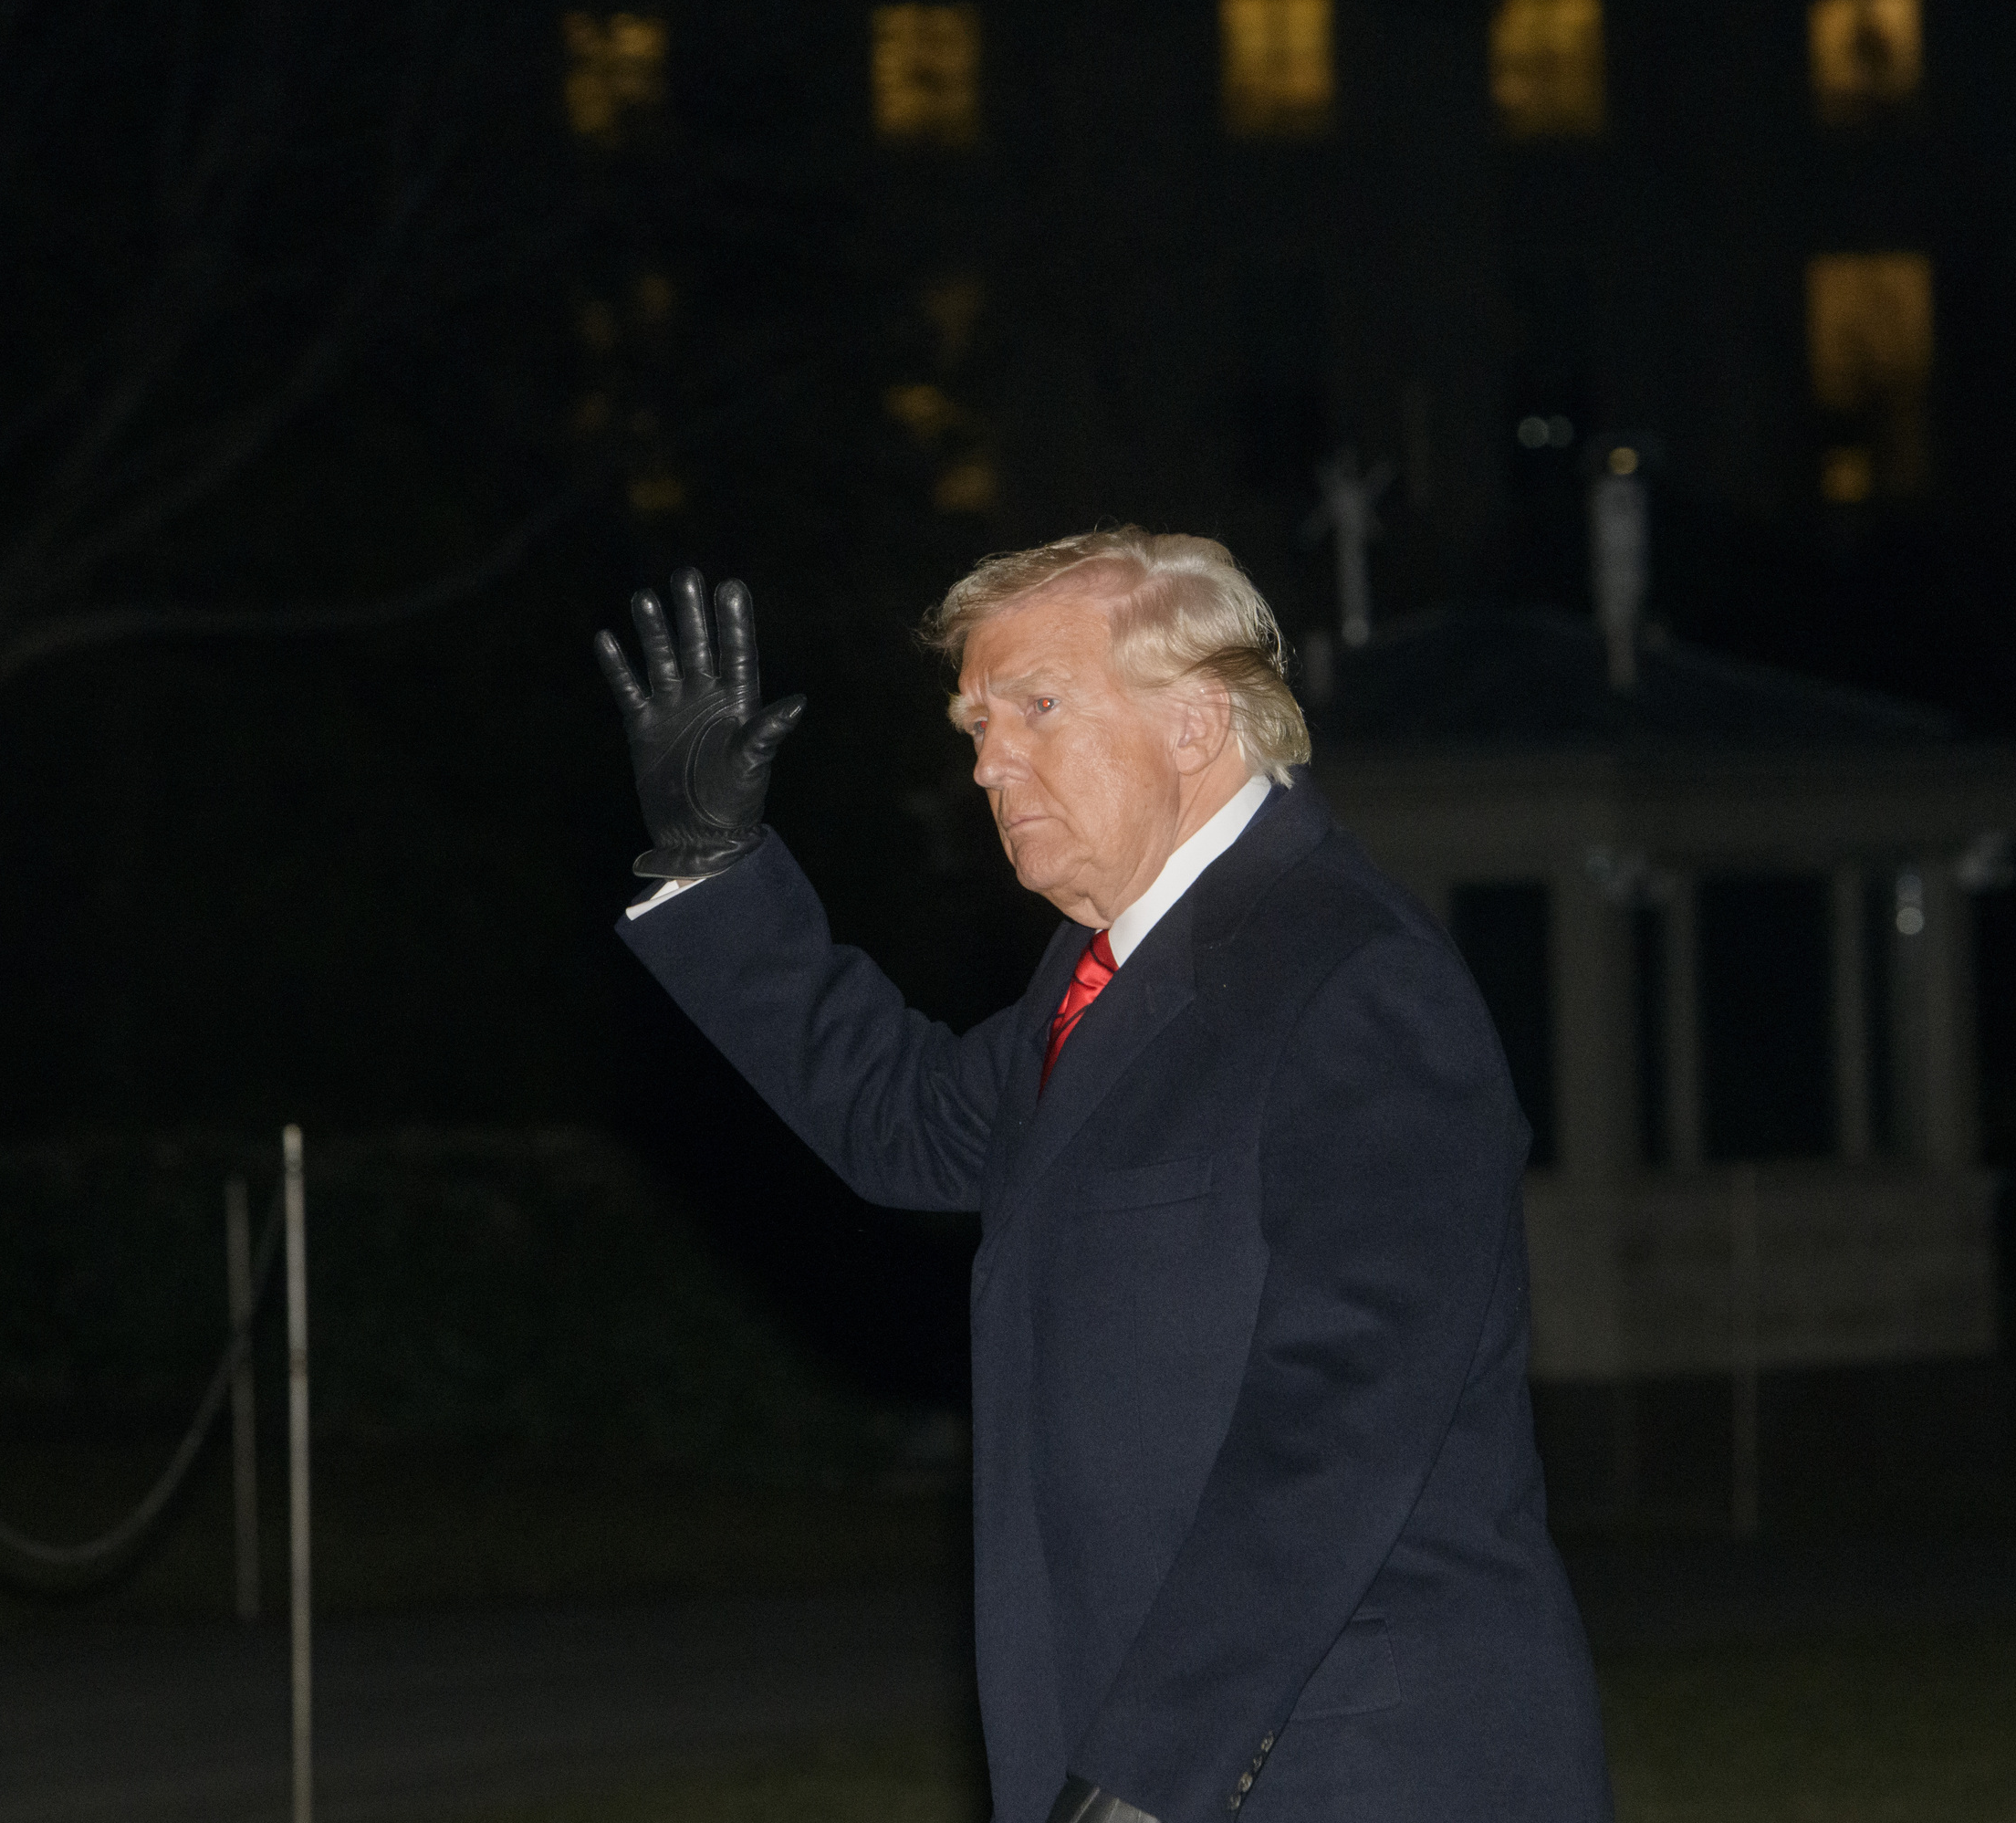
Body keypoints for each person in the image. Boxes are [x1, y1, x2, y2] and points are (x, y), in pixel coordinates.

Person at [593, 530, 1613, 1823]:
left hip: (1338, 1767)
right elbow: (903, 1122)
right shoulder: (1100, 983)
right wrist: (717, 867)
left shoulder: (1352, 979)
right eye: (974, 723)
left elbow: (1339, 1424)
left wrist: (1153, 1768)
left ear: (1194, 722)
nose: (986, 761)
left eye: (1034, 707)